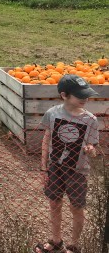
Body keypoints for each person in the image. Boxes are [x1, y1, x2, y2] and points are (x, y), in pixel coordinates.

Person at [34, 75, 99, 253]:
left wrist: (90, 150)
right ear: (64, 95)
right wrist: (44, 167)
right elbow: (46, 140)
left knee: (76, 207)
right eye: (80, 95)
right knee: (54, 203)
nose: (85, 99)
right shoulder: (52, 114)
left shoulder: (91, 120)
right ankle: (56, 241)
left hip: (78, 171)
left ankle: (73, 246)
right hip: (55, 167)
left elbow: (93, 149)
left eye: (87, 95)